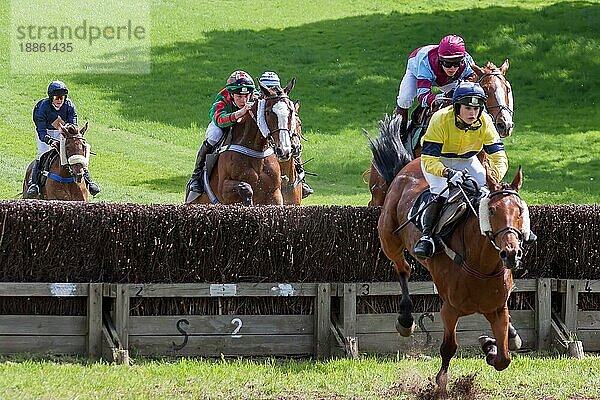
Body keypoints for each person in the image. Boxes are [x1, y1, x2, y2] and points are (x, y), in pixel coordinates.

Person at [413, 81, 507, 258]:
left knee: (489, 192)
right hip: (439, 160)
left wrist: (493, 178)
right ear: (456, 107)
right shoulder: (440, 119)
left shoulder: (485, 121)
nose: (473, 113)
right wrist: (448, 173)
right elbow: (429, 160)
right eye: (468, 108)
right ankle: (427, 237)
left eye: (477, 108)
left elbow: (499, 157)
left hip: (467, 160)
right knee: (440, 191)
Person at [26, 80, 100, 198]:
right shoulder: (42, 108)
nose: (60, 100)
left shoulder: (69, 105)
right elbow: (41, 131)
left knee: (77, 152)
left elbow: (73, 124)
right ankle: (34, 184)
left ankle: (89, 182)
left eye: (62, 97)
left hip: (63, 132)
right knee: (42, 154)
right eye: (56, 97)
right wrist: (50, 141)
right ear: (51, 97)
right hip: (46, 133)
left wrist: (70, 134)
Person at [187, 70, 257, 195]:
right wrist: (239, 113)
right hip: (222, 125)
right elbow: (220, 120)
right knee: (214, 136)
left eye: (246, 96)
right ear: (231, 94)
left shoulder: (254, 96)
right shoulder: (222, 100)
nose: (244, 100)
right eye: (239, 97)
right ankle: (196, 176)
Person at [394, 34, 477, 135]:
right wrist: (441, 97)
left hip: (448, 80)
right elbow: (422, 97)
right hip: (416, 71)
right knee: (404, 99)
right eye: (447, 63)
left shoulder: (467, 62)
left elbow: (474, 85)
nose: (452, 68)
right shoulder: (426, 63)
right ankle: (399, 135)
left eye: (457, 63)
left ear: (462, 60)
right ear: (440, 60)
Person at [258, 71, 314, 198]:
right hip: (265, 138)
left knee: (294, 147)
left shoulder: (283, 101)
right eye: (268, 87)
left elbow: (292, 120)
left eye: (274, 87)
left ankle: (302, 178)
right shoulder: (258, 101)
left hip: (282, 135)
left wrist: (294, 135)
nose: (271, 90)